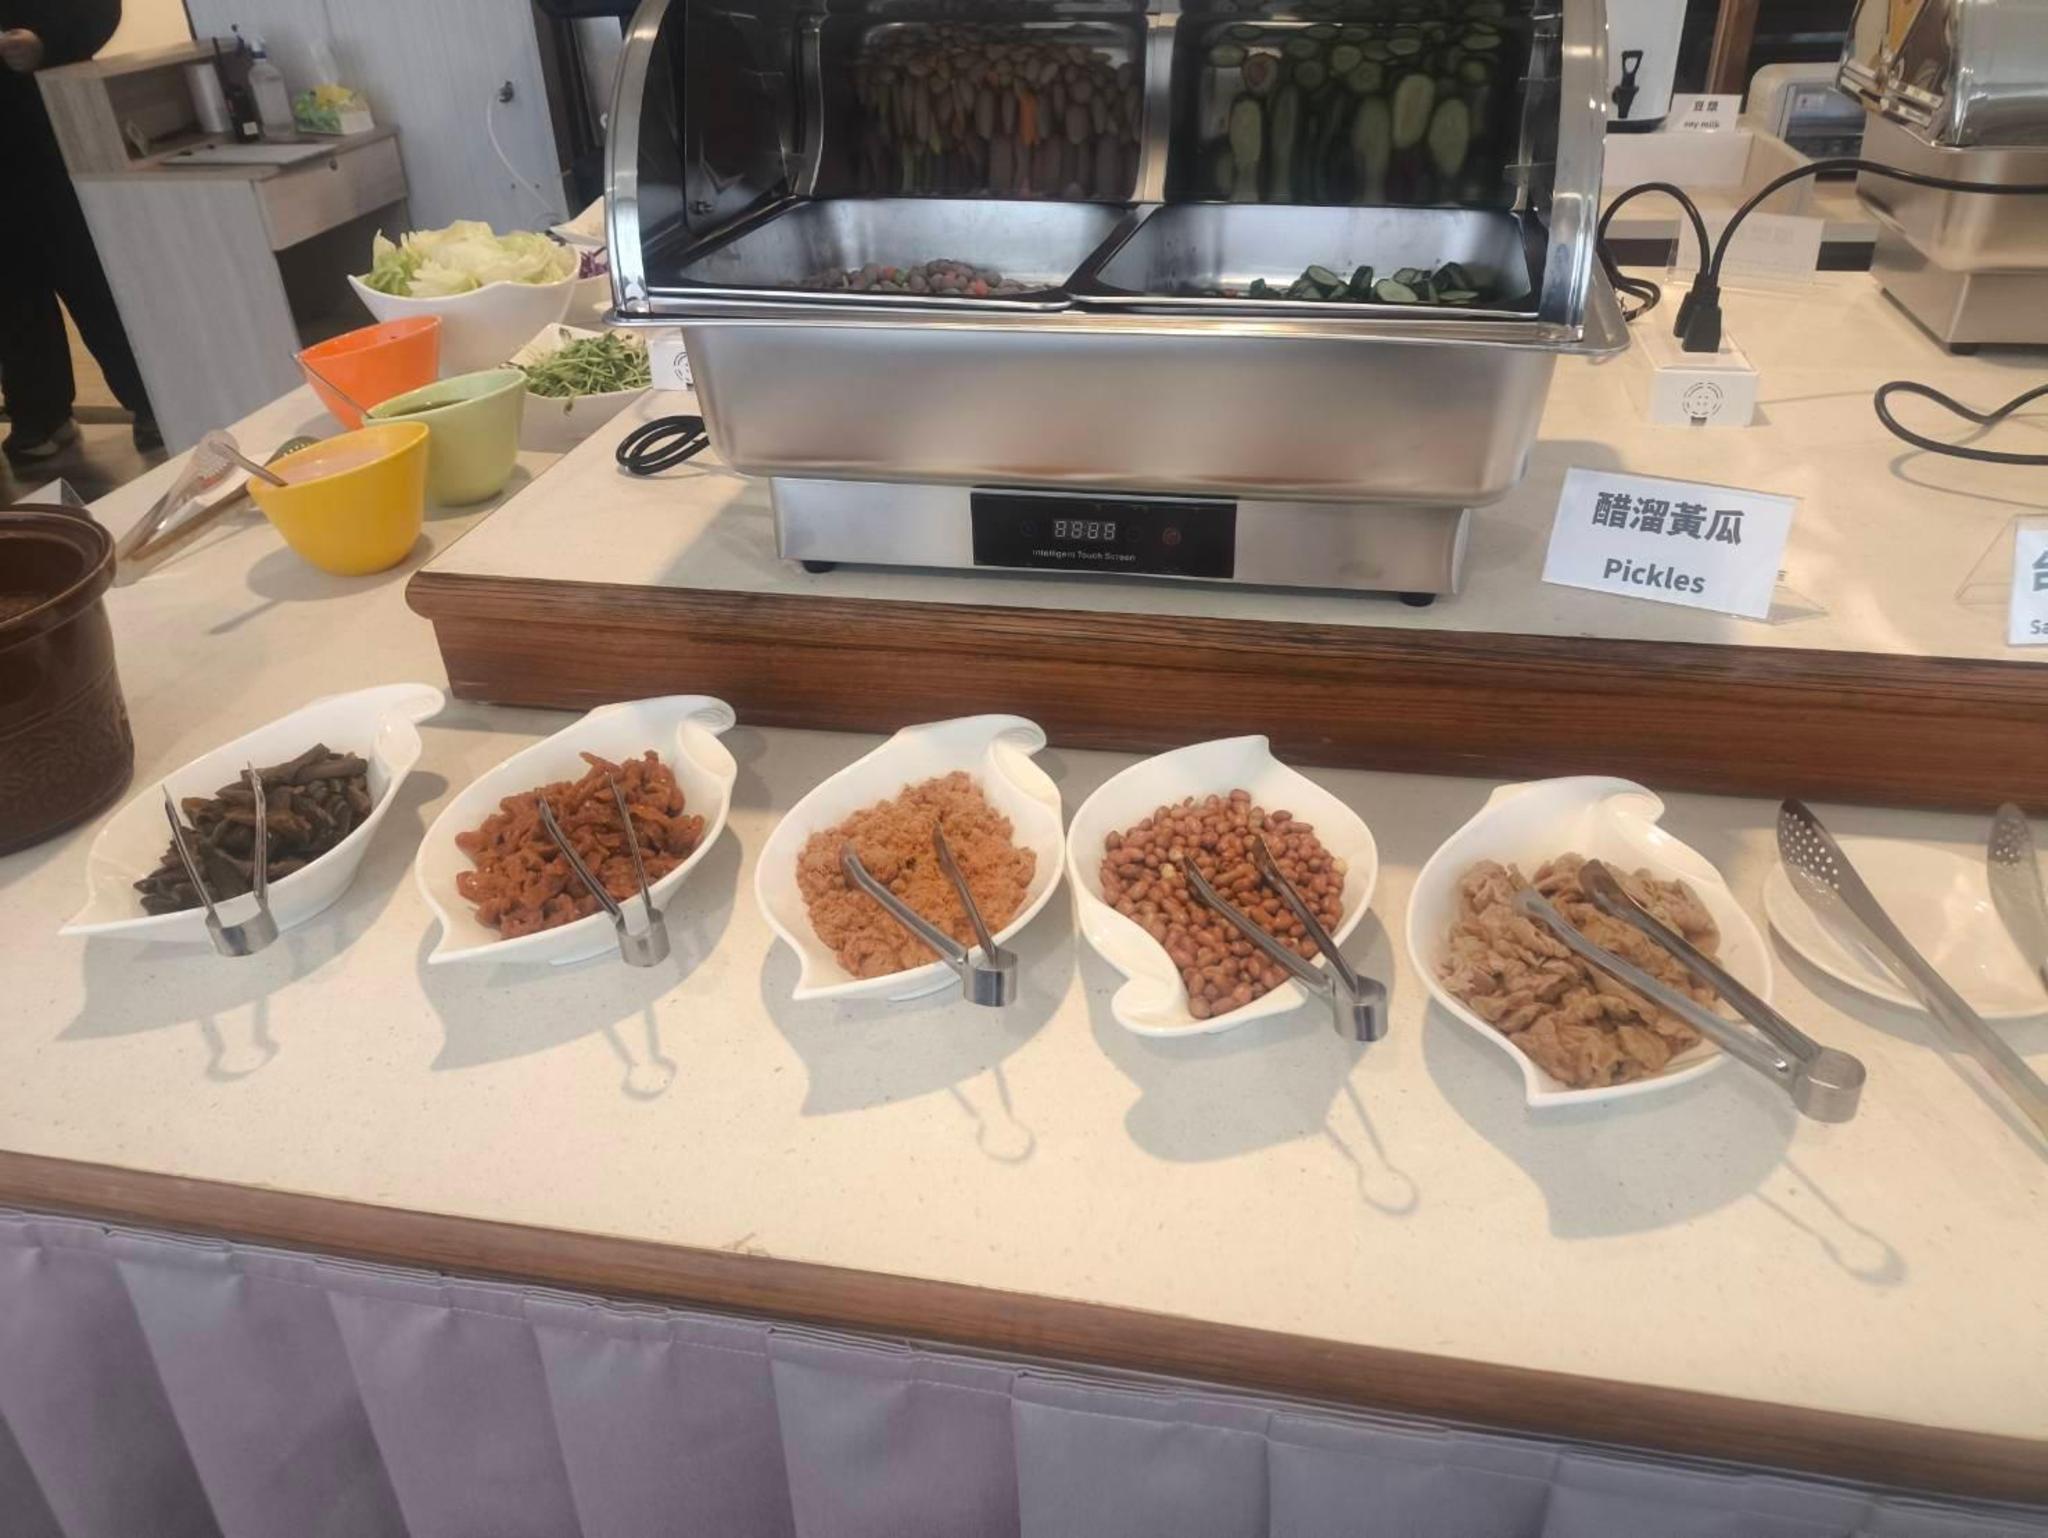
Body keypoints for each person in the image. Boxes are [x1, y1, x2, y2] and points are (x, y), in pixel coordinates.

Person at [0, 0, 159, 463]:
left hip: (57, 127)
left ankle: (151, 400)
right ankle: (40, 415)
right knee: (11, 298)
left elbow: (100, 8)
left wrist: (46, 43)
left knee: (95, 278)